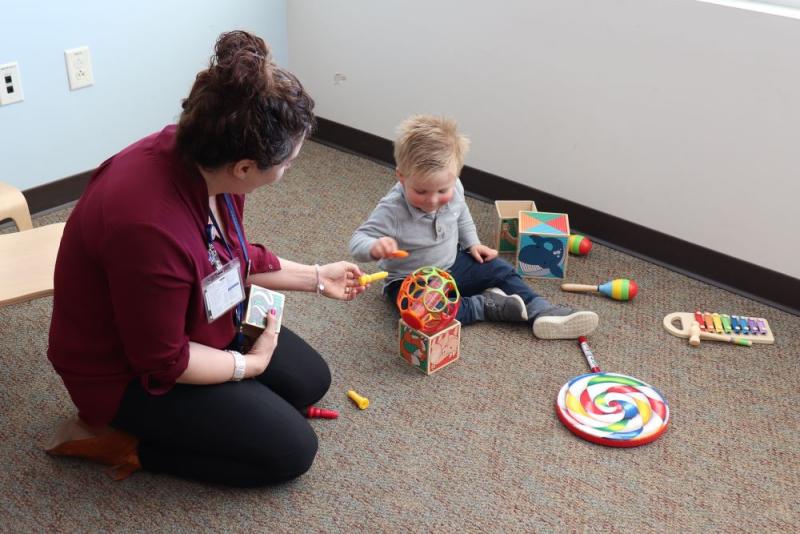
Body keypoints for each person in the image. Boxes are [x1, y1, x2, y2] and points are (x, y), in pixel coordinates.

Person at [45, 30, 367, 487]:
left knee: (309, 380)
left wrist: (317, 277)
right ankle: (125, 445)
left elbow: (228, 251)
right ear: (244, 168)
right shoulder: (149, 229)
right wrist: (249, 368)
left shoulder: (204, 156)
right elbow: (164, 361)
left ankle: (232, 405)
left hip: (192, 316)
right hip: (124, 372)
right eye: (289, 163)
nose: (289, 170)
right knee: (291, 452)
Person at [349, 115, 598, 338]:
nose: (433, 201)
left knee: (500, 269)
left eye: (441, 191)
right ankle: (484, 305)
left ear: (456, 174)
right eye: (421, 191)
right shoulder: (392, 209)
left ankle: (540, 309)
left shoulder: (454, 187)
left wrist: (473, 243)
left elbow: (462, 214)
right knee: (422, 317)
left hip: (453, 264)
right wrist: (375, 247)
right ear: (401, 176)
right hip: (411, 281)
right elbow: (358, 241)